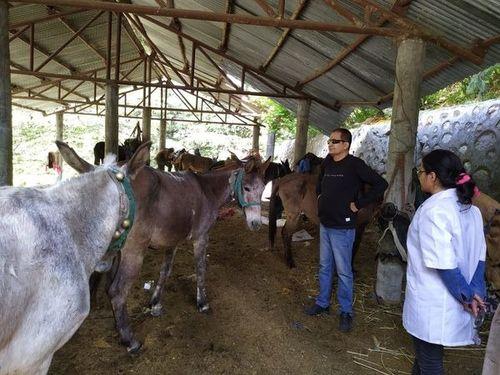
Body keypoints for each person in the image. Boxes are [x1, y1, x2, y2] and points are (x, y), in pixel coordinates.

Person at [403, 149, 486, 374]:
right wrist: (477, 291)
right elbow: (480, 256)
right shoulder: (472, 210)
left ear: (432, 177)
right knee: (424, 358)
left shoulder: (434, 210)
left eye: (421, 171)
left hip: (434, 303)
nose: (419, 176)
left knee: (430, 363)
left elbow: (444, 263)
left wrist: (468, 297)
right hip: (454, 298)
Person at [305, 128, 388, 333]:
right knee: (325, 266)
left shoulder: (355, 165)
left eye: (335, 141)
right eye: (330, 140)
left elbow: (381, 184)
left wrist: (359, 203)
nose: (330, 144)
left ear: (346, 145)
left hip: (343, 227)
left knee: (343, 271)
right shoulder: (327, 163)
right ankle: (322, 303)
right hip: (326, 224)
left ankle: (345, 311)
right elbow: (320, 185)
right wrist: (319, 198)